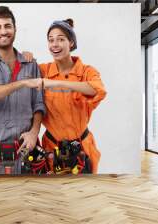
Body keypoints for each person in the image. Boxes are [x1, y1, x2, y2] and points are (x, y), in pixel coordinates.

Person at [0, 6, 45, 174]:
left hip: (26, 149)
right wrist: (23, 83)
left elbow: (39, 105)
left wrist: (34, 132)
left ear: (15, 28)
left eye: (7, 26)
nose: (3, 31)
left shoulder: (31, 64)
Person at [37, 18, 107, 174]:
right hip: (52, 149)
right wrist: (26, 57)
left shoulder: (87, 72)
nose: (55, 44)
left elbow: (98, 90)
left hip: (82, 148)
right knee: (53, 195)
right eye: (51, 40)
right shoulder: (43, 70)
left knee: (83, 194)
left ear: (71, 43)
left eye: (61, 39)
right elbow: (19, 69)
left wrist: (56, 84)